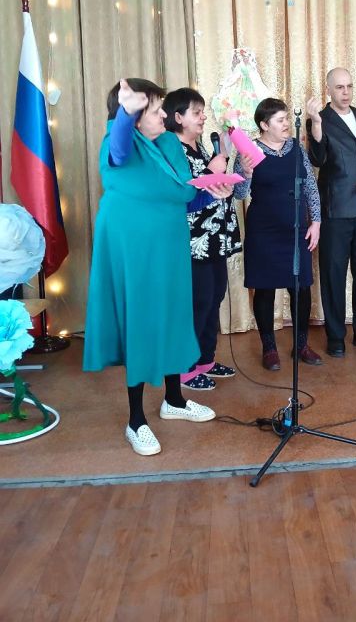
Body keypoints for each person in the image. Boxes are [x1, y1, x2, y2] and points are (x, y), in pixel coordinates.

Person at [84, 79, 227, 457]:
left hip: (169, 245)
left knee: (172, 317)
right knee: (142, 322)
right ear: (132, 114)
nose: (164, 114)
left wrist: (211, 191)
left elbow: (181, 197)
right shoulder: (118, 142)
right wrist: (126, 112)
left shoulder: (168, 144)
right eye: (154, 109)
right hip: (133, 246)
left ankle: (174, 400)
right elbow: (119, 145)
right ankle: (136, 420)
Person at [163, 88, 254, 390]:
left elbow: (215, 186)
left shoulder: (201, 147)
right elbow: (179, 195)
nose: (203, 117)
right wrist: (212, 172)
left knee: (214, 297)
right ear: (178, 117)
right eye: (197, 112)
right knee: (197, 303)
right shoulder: (172, 150)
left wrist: (232, 172)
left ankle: (205, 360)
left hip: (216, 235)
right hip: (192, 241)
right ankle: (185, 370)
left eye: (203, 111)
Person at [233, 98, 322, 371]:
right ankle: (269, 347)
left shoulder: (296, 148)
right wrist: (245, 172)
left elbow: (310, 186)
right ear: (264, 125)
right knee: (265, 288)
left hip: (296, 229)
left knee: (301, 287)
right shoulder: (248, 151)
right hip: (264, 231)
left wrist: (316, 221)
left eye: (286, 119)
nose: (286, 124)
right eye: (280, 120)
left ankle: (301, 344)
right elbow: (239, 194)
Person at [306, 67, 356, 357]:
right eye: (340, 87)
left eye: (349, 86)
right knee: (334, 275)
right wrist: (316, 124)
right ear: (329, 89)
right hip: (336, 209)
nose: (346, 92)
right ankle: (336, 336)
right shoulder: (320, 119)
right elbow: (317, 159)